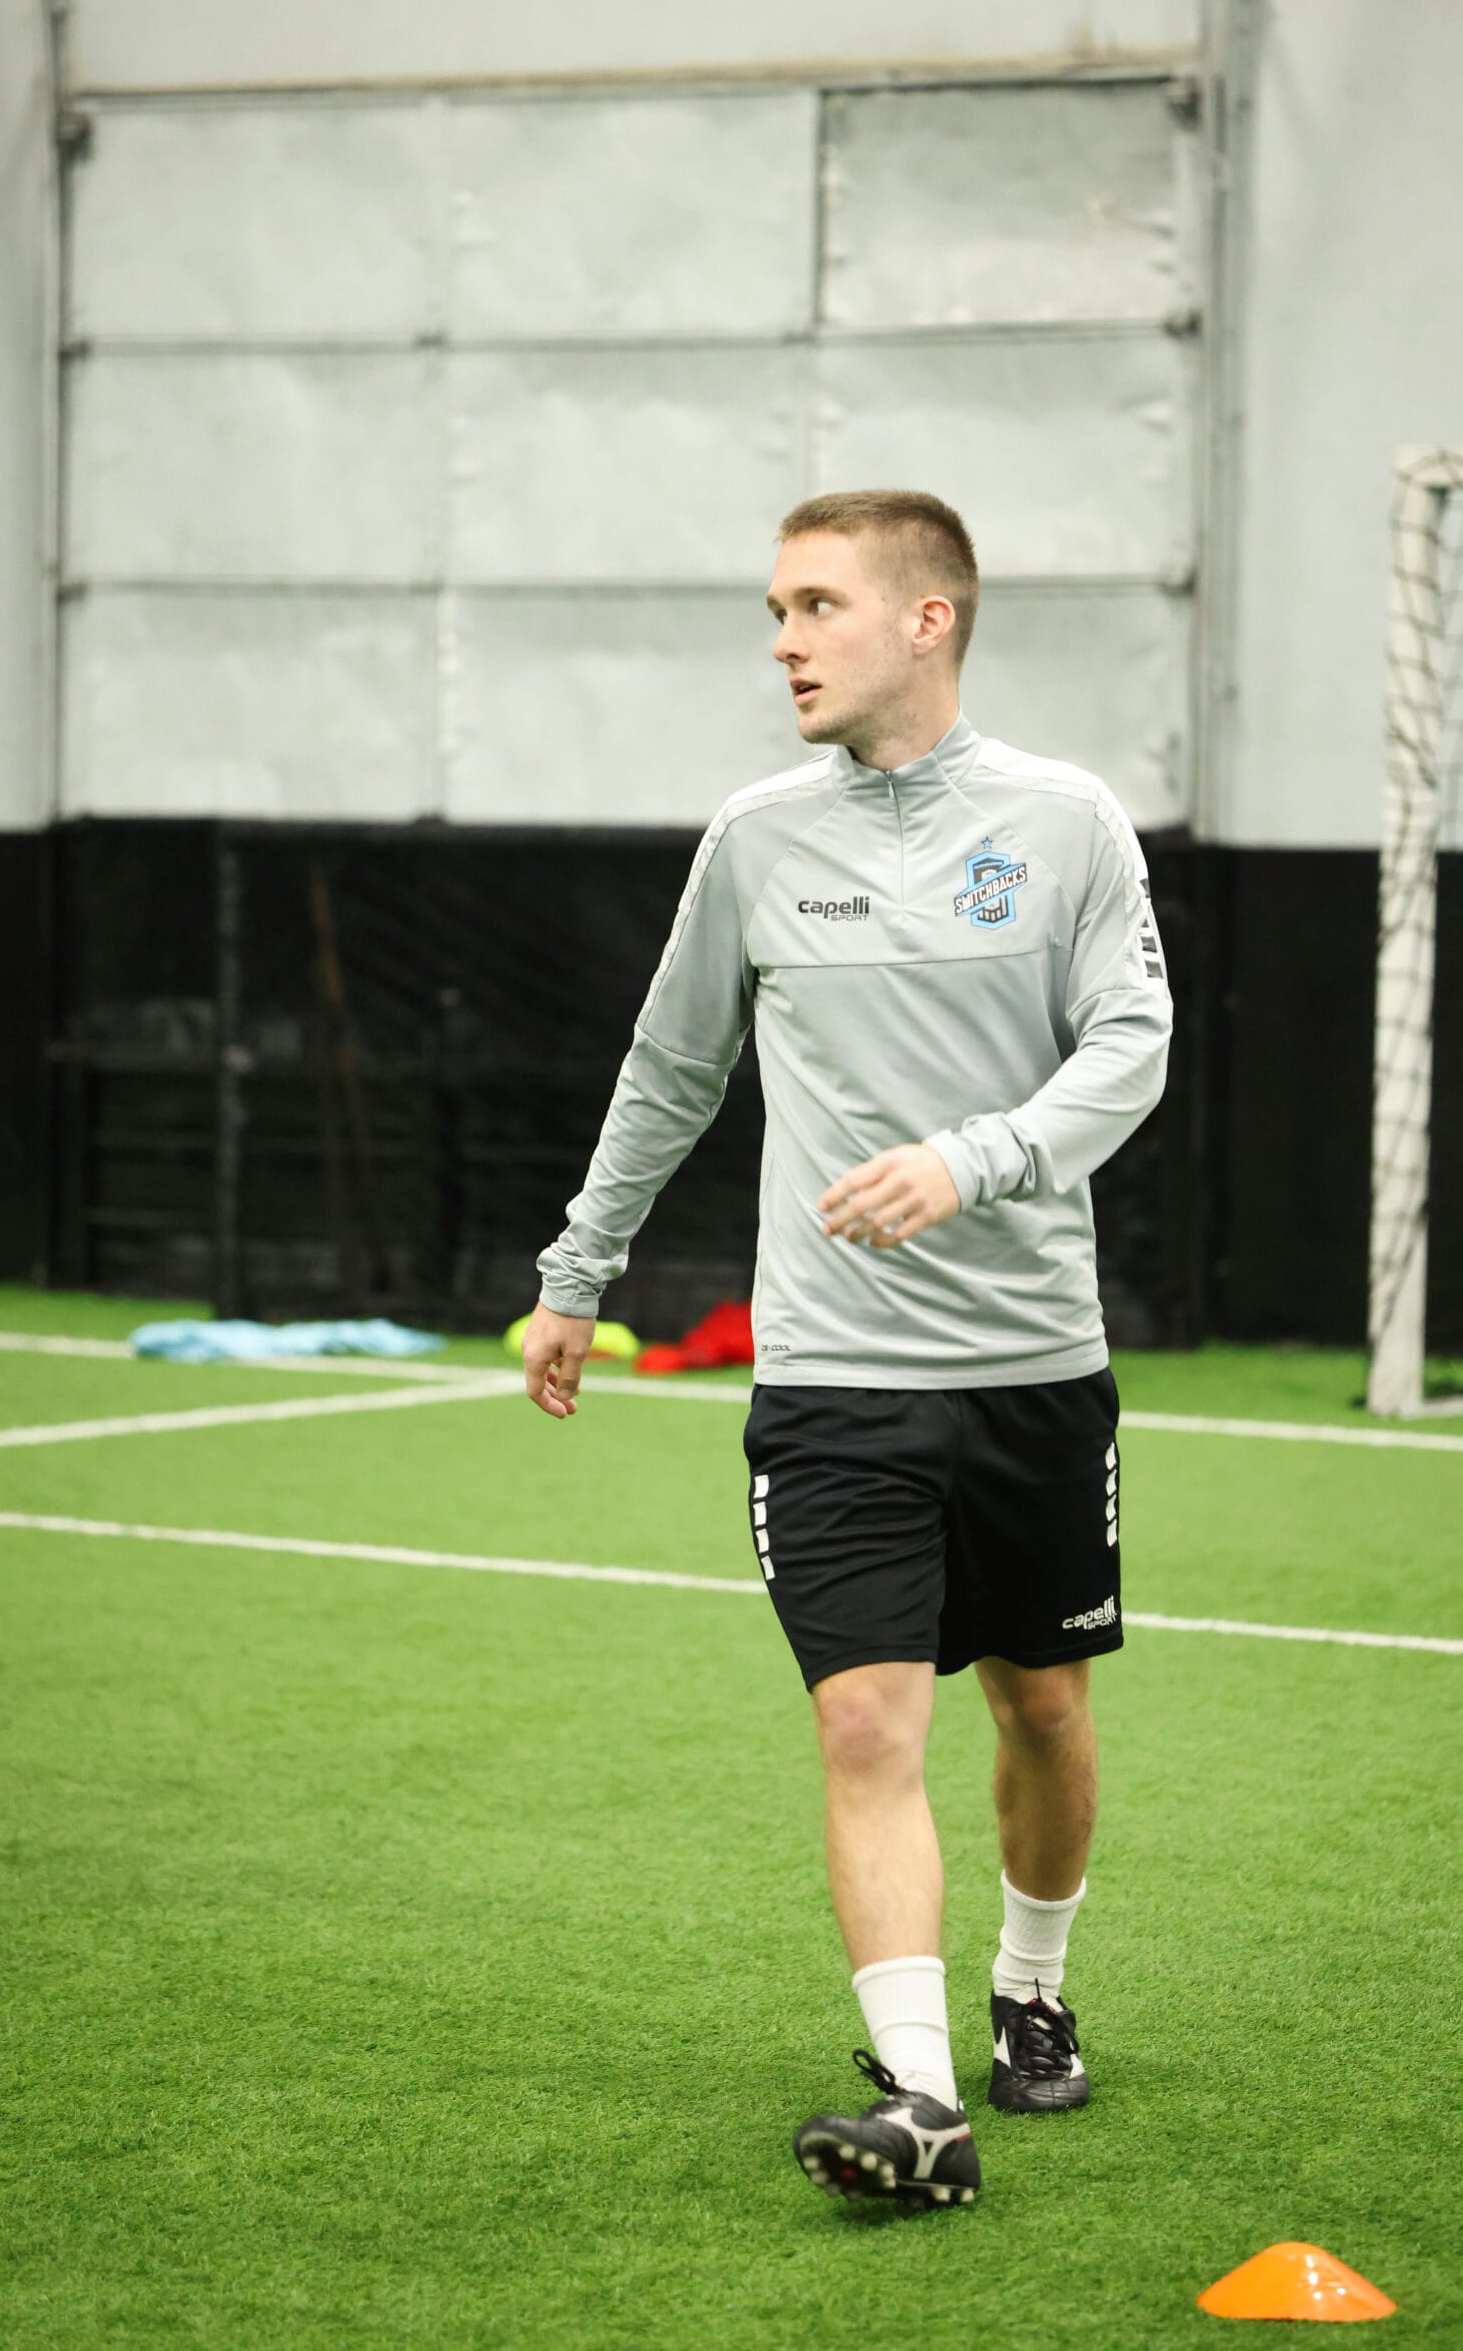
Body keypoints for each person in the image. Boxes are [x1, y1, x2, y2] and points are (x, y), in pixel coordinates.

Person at [524, 489, 1172, 2211]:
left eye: (816, 606)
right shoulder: (753, 838)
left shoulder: (1068, 823)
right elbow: (672, 1071)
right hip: (832, 1385)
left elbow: (1134, 1047)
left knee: (1041, 1707)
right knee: (870, 1730)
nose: (786, 642)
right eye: (776, 609)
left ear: (928, 618)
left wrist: (975, 1159)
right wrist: (578, 1271)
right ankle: (919, 2099)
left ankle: (1032, 1993)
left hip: (1032, 1366)